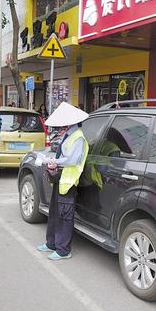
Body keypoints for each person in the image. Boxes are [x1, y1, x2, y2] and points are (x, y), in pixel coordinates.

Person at [37, 102, 89, 260]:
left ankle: (63, 250)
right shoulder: (68, 135)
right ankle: (51, 243)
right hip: (60, 179)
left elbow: (71, 160)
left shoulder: (78, 137)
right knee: (54, 214)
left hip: (69, 181)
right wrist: (53, 161)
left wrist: (52, 161)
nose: (60, 127)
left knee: (64, 217)